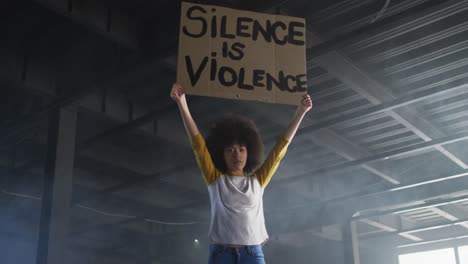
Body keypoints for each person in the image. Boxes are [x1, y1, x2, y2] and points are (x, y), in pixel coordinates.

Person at [170, 83, 313, 264]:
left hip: (252, 254)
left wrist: (301, 111)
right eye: (230, 150)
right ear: (222, 154)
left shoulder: (258, 182)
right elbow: (198, 145)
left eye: (241, 149)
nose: (236, 154)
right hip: (221, 254)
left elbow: (279, 150)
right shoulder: (215, 179)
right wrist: (182, 104)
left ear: (249, 152)